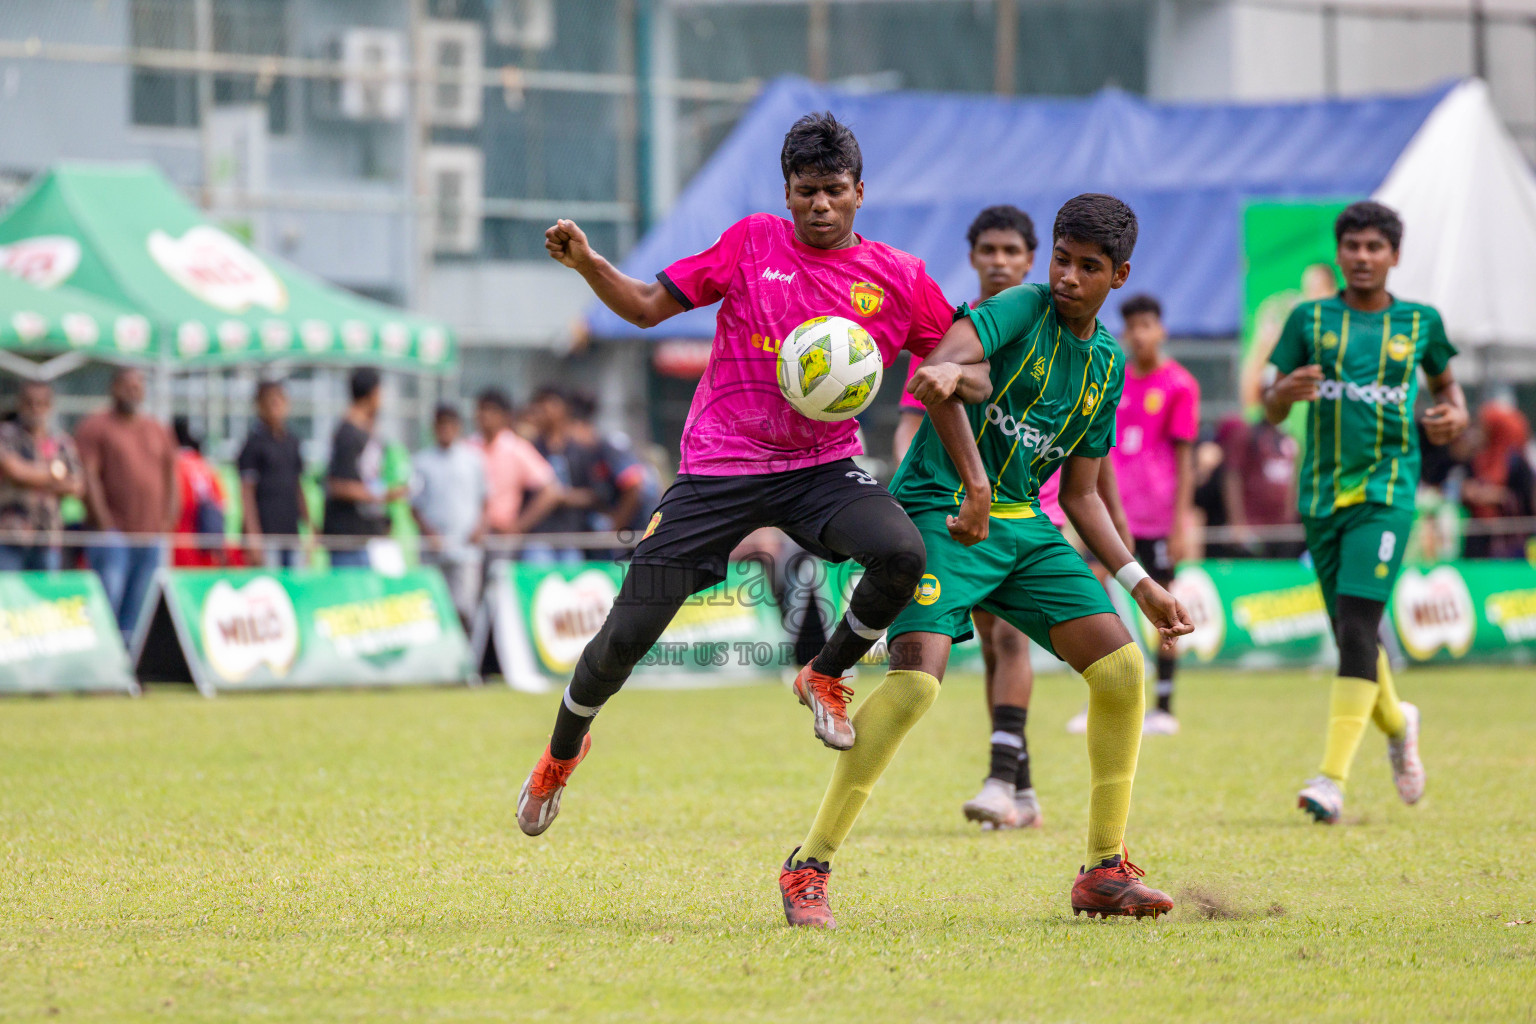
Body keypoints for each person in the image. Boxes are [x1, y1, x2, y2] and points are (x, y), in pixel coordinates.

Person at [516, 111, 962, 839]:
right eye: (807, 190)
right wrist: (590, 263)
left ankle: (825, 673)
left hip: (821, 468)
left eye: (835, 190)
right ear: (787, 193)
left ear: (860, 192)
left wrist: (964, 382)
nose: (821, 205)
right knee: (624, 636)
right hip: (719, 467)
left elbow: (961, 354)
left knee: (902, 553)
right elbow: (645, 307)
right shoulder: (753, 242)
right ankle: (560, 755)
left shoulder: (899, 278)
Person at [776, 194, 1193, 928]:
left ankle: (1104, 869)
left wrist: (1140, 583)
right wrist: (972, 478)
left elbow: (1084, 494)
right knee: (915, 687)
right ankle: (808, 867)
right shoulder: (1020, 307)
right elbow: (941, 370)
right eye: (1061, 260)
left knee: (1122, 670)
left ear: (1119, 276)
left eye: (1088, 267)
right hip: (938, 510)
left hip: (1024, 524)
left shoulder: (1105, 364)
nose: (1067, 277)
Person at [1263, 200, 1467, 825]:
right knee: (1351, 636)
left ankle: (1331, 780)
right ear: (1339, 252)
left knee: (1357, 627)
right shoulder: (1309, 319)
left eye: (1375, 246)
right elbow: (1270, 404)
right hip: (1321, 496)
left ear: (1394, 255)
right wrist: (1281, 394)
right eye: (1352, 245)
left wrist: (1455, 414)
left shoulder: (1420, 322)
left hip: (1387, 493)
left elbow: (1448, 388)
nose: (1362, 256)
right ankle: (1398, 723)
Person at [893, 204, 1050, 831]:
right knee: (990, 644)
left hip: (1027, 506)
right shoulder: (950, 336)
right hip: (957, 509)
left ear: (1031, 260)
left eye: (1012, 251)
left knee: (1009, 638)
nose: (1000, 262)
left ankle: (1001, 781)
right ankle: (1021, 789)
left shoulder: (1051, 334)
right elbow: (911, 423)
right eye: (989, 250)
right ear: (973, 257)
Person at [1109, 294, 1200, 734]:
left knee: (1167, 608)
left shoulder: (1179, 384)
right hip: (1112, 518)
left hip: (1158, 520)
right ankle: (1108, 696)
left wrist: (1181, 524)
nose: (1140, 334)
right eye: (1132, 327)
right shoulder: (1113, 378)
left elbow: (1185, 461)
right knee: (1094, 598)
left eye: (1147, 325)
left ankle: (1164, 706)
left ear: (1161, 330)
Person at [75, 366, 177, 637]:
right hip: (113, 537)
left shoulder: (158, 429)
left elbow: (171, 475)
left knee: (140, 610)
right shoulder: (95, 427)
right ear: (113, 388)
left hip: (151, 535)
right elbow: (89, 477)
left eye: (138, 386)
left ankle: (129, 662)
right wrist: (105, 523)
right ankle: (105, 661)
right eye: (127, 385)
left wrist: (167, 519)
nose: (133, 391)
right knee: (109, 603)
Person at [411, 403, 488, 626]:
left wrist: (479, 528)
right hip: (433, 549)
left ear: (458, 427)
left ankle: (465, 647)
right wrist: (429, 534)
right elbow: (414, 506)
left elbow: (485, 500)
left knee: (464, 608)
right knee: (432, 608)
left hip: (466, 548)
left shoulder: (473, 460)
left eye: (450, 425)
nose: (445, 430)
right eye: (441, 425)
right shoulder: (422, 461)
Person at [322, 367, 405, 569]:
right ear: (373, 393)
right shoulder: (347, 434)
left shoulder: (368, 431)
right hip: (349, 540)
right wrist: (384, 495)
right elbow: (338, 485)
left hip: (371, 536)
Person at [0, 381, 84, 572]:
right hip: (10, 535)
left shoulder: (61, 441)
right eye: (29, 403)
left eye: (41, 403)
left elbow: (77, 486)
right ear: (20, 403)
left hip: (48, 537)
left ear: (50, 406)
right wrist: (55, 473)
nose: (35, 408)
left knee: (45, 591)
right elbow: (15, 472)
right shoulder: (6, 435)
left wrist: (29, 478)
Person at [473, 388, 563, 552]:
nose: (485, 416)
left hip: (501, 534)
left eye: (491, 411)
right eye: (482, 410)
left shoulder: (515, 448)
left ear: (504, 416)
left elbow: (550, 491)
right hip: (469, 535)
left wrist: (518, 526)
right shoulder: (468, 448)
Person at [237, 380, 310, 568]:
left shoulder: (292, 442)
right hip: (266, 534)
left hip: (291, 532)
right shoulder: (253, 444)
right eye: (270, 401)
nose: (276, 406)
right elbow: (246, 492)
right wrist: (253, 536)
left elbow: (298, 487)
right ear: (260, 405)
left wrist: (309, 527)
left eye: (280, 400)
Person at [526, 386, 600, 561]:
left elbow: (595, 495)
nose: (545, 412)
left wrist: (561, 496)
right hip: (539, 535)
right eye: (540, 407)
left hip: (572, 536)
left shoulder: (581, 451)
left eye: (550, 406)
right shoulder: (530, 450)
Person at [1218, 414, 1301, 558]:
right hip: (1253, 529)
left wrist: (1291, 517)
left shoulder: (1288, 440)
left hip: (1283, 530)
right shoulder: (1247, 435)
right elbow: (1232, 478)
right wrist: (1237, 522)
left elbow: (1292, 480)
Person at [1461, 401, 1534, 559]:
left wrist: (1499, 496)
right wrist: (1468, 493)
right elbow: (1462, 490)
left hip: (1511, 543)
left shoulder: (1516, 462)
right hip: (1478, 540)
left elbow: (1526, 499)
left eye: (1485, 426)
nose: (1481, 430)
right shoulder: (1476, 458)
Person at [171, 416, 230, 568]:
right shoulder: (205, 466)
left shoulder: (174, 467)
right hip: (207, 547)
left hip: (180, 544)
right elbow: (221, 503)